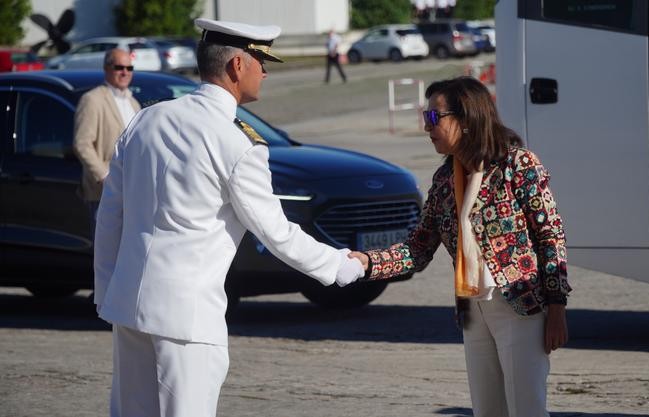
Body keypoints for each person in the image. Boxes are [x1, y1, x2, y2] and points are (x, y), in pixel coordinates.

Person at [93, 18, 365, 417]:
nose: (266, 73)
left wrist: (107, 293)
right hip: (187, 317)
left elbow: (109, 216)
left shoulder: (145, 120)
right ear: (238, 67)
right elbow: (277, 233)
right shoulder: (236, 143)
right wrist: (341, 266)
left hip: (130, 306)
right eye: (262, 62)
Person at [350, 76, 571, 417]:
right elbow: (417, 248)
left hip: (520, 305)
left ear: (466, 118)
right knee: (486, 411)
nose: (427, 127)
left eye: (434, 118)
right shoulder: (443, 180)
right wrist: (366, 262)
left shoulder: (518, 164)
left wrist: (556, 307)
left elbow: (550, 237)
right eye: (426, 118)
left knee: (527, 409)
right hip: (471, 310)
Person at [73, 48, 141, 235]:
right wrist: (105, 176)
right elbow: (82, 143)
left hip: (132, 191)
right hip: (103, 193)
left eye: (129, 67)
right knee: (105, 256)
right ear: (106, 68)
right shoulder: (92, 100)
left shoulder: (133, 103)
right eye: (119, 67)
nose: (125, 72)